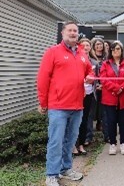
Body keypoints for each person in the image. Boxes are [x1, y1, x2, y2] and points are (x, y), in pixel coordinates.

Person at [37, 22, 94, 186]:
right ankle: (52, 174)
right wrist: (43, 102)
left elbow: (89, 71)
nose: (73, 33)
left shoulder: (82, 54)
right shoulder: (52, 52)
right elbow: (43, 78)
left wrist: (90, 76)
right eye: (69, 30)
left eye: (75, 31)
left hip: (77, 106)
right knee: (56, 141)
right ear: (63, 33)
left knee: (70, 140)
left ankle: (66, 169)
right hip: (58, 107)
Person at [100, 40, 124, 155]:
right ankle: (113, 144)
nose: (116, 51)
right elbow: (103, 79)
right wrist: (116, 88)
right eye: (114, 49)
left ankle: (123, 143)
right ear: (111, 50)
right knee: (111, 121)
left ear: (121, 50)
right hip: (110, 97)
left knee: (123, 121)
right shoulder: (105, 64)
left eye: (118, 49)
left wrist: (122, 87)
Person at [73, 38, 98, 156]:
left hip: (89, 94)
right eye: (83, 45)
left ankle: (81, 144)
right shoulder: (75, 59)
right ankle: (73, 145)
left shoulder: (94, 62)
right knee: (74, 120)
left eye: (88, 45)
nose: (85, 47)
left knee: (85, 120)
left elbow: (97, 78)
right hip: (76, 94)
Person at [88, 37, 109, 143]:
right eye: (96, 44)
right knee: (90, 113)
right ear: (93, 46)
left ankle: (107, 135)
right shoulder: (89, 58)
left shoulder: (107, 58)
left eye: (100, 44)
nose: (99, 46)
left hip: (105, 88)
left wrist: (103, 85)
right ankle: (88, 137)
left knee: (105, 113)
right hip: (92, 89)